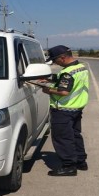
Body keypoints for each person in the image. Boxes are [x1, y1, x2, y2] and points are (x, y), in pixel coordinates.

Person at [40, 45, 89, 177]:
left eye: (55, 60)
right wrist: (51, 79)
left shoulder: (67, 73)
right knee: (75, 135)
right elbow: (69, 82)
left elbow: (63, 91)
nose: (55, 62)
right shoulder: (80, 67)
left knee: (62, 138)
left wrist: (48, 89)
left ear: (62, 57)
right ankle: (80, 161)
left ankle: (68, 166)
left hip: (63, 110)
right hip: (76, 108)